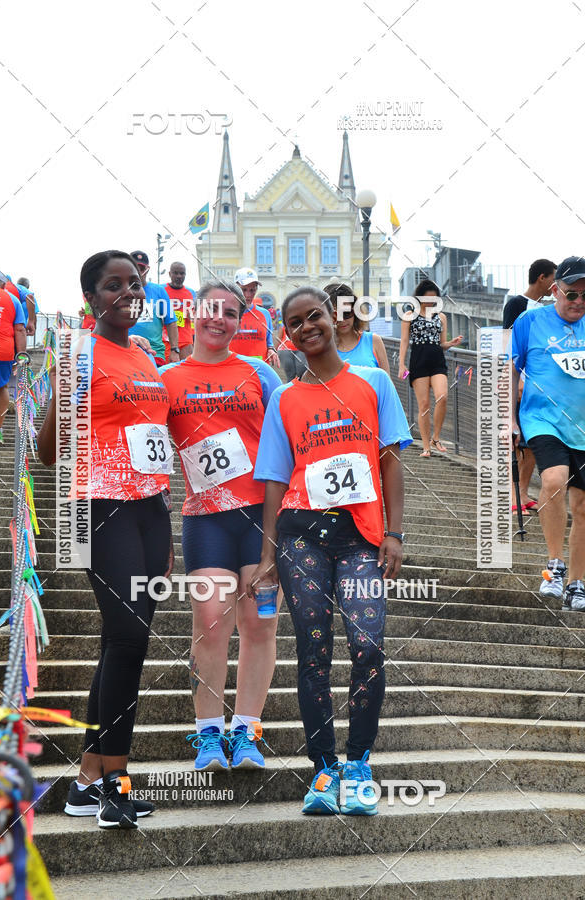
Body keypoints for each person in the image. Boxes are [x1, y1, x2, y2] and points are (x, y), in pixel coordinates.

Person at [251, 286, 411, 816]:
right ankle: (323, 769)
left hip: (361, 535)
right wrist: (269, 554)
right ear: (288, 334)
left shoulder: (374, 382)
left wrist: (394, 532)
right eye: (295, 323)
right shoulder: (284, 398)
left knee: (367, 645)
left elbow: (390, 460)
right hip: (300, 534)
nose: (307, 327)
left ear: (332, 316)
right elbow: (275, 479)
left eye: (313, 315)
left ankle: (359, 763)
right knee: (313, 651)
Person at [37, 250, 174, 829]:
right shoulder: (80, 351)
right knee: (128, 638)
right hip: (99, 507)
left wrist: (165, 524)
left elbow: (155, 438)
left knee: (121, 642)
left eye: (134, 283)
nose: (128, 292)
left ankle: (86, 783)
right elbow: (48, 453)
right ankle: (116, 785)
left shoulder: (143, 354)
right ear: (90, 297)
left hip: (150, 509)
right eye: (113, 285)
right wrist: (63, 387)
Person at [160, 279, 281, 771]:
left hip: (261, 518)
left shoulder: (259, 373)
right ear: (192, 312)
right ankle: (209, 734)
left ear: (240, 322)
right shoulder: (164, 377)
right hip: (205, 519)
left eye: (231, 313)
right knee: (210, 623)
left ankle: (246, 731)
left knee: (260, 623)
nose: (219, 319)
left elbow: (285, 441)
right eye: (212, 309)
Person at [512, 255, 585, 611]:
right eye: (572, 294)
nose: (579, 302)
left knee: (582, 507)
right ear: (555, 290)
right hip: (543, 419)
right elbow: (510, 369)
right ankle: (555, 566)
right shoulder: (530, 321)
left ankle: (577, 582)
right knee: (554, 480)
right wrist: (509, 420)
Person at [503, 259, 556, 516]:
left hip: (539, 386)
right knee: (518, 442)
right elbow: (508, 342)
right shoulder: (517, 304)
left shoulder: (547, 309)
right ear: (542, 277)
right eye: (553, 278)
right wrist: (518, 380)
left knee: (533, 441)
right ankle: (514, 495)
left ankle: (523, 493)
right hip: (520, 383)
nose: (555, 284)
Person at [397, 279, 463, 457]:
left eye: (434, 298)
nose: (431, 302)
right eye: (427, 298)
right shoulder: (409, 315)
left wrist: (451, 343)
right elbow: (404, 341)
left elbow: (442, 344)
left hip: (437, 360)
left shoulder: (441, 317)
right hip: (418, 360)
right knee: (424, 404)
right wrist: (401, 364)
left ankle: (436, 437)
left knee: (442, 396)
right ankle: (426, 447)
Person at [0, 269, 26, 446]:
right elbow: (20, 329)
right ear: (3, 285)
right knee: (1, 387)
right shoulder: (13, 299)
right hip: (4, 350)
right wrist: (21, 354)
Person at [324, 283, 390, 373]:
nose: (342, 320)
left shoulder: (374, 341)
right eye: (335, 315)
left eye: (346, 313)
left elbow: (386, 380)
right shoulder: (324, 349)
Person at [128, 250, 179, 366]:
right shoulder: (120, 291)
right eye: (134, 268)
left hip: (153, 353)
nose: (138, 272)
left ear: (147, 269)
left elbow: (171, 322)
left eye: (141, 268)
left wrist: (174, 350)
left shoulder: (159, 291)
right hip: (126, 351)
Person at [229, 268, 279, 366]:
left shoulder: (265, 314)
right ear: (235, 289)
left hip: (258, 369)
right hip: (233, 368)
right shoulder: (225, 313)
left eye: (252, 290)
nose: (248, 295)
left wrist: (271, 350)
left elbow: (269, 343)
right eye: (244, 290)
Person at [162, 261, 196, 360]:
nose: (179, 276)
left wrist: (191, 316)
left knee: (187, 367)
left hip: (186, 339)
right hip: (166, 339)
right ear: (170, 274)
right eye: (175, 273)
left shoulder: (191, 293)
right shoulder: (162, 290)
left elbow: (195, 316)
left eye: (182, 273)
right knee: (169, 368)